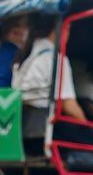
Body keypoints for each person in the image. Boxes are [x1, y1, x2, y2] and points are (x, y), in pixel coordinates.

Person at [12, 15, 86, 154]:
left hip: (24, 133)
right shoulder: (55, 58)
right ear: (58, 30)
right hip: (49, 132)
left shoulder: (23, 58)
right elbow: (69, 106)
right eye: (68, 30)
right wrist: (89, 127)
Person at [0, 17, 28, 88]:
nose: (19, 38)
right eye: (15, 33)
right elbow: (2, 77)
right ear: (6, 34)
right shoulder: (8, 51)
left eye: (21, 35)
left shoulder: (16, 50)